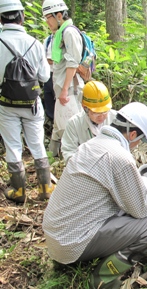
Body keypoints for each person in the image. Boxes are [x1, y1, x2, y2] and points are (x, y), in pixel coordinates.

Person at [42, 102, 147, 289]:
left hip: (56, 237)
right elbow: (141, 209)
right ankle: (104, 277)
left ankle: (76, 258)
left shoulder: (90, 145)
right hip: (72, 243)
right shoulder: (119, 157)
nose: (136, 146)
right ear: (132, 135)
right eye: (138, 141)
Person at [0, 0, 54, 203]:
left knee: (13, 146)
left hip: (6, 104)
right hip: (32, 104)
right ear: (22, 17)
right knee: (37, 144)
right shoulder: (35, 43)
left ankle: (19, 191)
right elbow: (44, 77)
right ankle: (45, 188)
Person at [42, 0, 85, 157]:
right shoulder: (60, 34)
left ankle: (73, 163)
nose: (47, 22)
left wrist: (65, 89)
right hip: (62, 86)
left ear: (59, 15)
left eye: (48, 18)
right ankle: (53, 159)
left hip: (70, 88)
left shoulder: (69, 32)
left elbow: (73, 62)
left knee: (70, 128)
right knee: (59, 124)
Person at [61, 80, 116, 164]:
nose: (101, 116)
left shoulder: (116, 119)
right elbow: (68, 152)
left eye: (105, 111)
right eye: (96, 113)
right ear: (85, 108)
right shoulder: (74, 124)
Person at [43, 34, 55, 122]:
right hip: (48, 75)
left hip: (62, 75)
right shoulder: (48, 40)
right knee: (49, 101)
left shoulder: (67, 37)